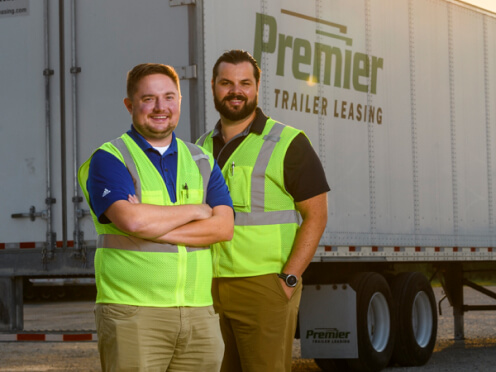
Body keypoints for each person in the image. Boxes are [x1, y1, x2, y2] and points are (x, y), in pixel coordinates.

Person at [78, 63, 234, 372]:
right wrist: (195, 210)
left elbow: (223, 227)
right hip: (133, 314)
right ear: (130, 105)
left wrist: (153, 226)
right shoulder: (110, 158)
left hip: (198, 313)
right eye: (149, 98)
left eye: (169, 97)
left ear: (178, 101)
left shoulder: (201, 161)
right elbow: (131, 222)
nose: (160, 107)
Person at [196, 50, 330, 372]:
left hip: (264, 286)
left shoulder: (288, 142)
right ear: (213, 86)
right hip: (208, 288)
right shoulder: (198, 148)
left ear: (257, 87)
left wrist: (288, 278)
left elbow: (317, 215)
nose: (235, 90)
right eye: (226, 82)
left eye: (245, 82)